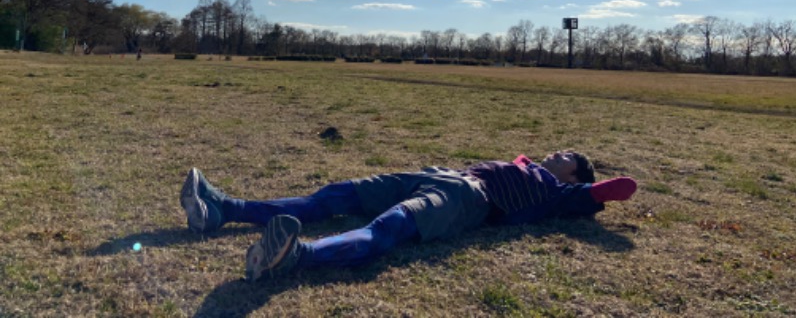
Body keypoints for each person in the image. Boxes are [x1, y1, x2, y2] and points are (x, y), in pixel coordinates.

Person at [180, 151, 637, 282]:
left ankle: (296, 256)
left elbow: (617, 190)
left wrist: (588, 188)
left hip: (467, 201)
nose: (556, 154)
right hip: (438, 175)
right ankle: (221, 210)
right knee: (335, 195)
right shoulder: (528, 166)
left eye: (567, 157)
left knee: (389, 229)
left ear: (575, 175)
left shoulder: (559, 192)